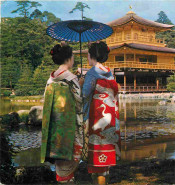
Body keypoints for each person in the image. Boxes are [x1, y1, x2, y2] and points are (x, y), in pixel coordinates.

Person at [41, 43, 85, 183]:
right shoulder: (71, 79)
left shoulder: (50, 80)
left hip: (55, 128)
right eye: (72, 56)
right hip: (69, 127)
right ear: (69, 58)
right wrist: (81, 85)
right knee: (69, 162)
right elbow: (79, 105)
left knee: (60, 162)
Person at [82, 41, 121, 185]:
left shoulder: (92, 73)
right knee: (105, 161)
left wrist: (80, 83)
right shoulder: (109, 73)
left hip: (95, 118)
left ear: (91, 56)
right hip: (110, 118)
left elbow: (85, 94)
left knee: (96, 159)